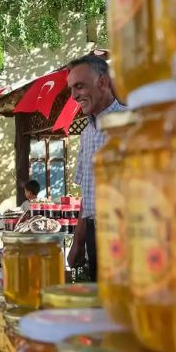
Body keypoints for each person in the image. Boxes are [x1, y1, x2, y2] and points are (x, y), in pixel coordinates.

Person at [66, 54, 128, 281]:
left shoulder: (131, 123)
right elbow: (87, 196)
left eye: (79, 86)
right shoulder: (87, 133)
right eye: (71, 88)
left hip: (127, 234)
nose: (74, 95)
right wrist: (79, 241)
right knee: (102, 308)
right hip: (95, 234)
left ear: (103, 82)